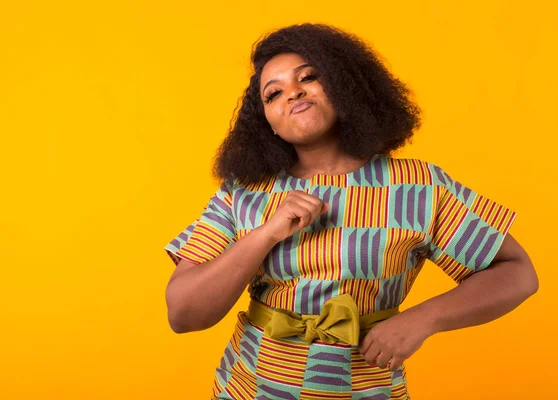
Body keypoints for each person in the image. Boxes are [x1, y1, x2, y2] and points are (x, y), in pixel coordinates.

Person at [164, 23, 539, 400]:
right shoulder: (243, 192)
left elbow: (517, 273)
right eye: (273, 93)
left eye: (308, 77)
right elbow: (183, 315)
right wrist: (266, 234)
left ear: (345, 85)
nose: (292, 92)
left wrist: (423, 319)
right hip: (247, 390)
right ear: (268, 124)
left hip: (370, 391)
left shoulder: (419, 185)